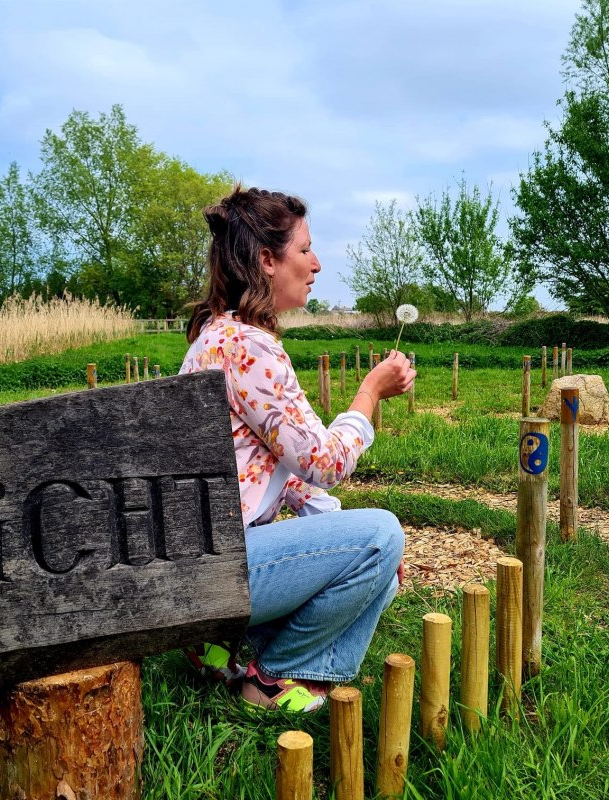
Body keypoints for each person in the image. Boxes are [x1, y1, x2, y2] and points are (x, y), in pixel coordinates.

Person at [179, 184, 415, 713]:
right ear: (266, 260)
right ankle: (273, 679)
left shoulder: (217, 336)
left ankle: (238, 653)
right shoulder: (249, 348)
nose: (317, 264)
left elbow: (282, 471)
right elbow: (324, 463)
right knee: (383, 536)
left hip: (199, 558)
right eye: (305, 249)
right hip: (218, 572)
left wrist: (343, 535)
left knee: (376, 556)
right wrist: (369, 393)